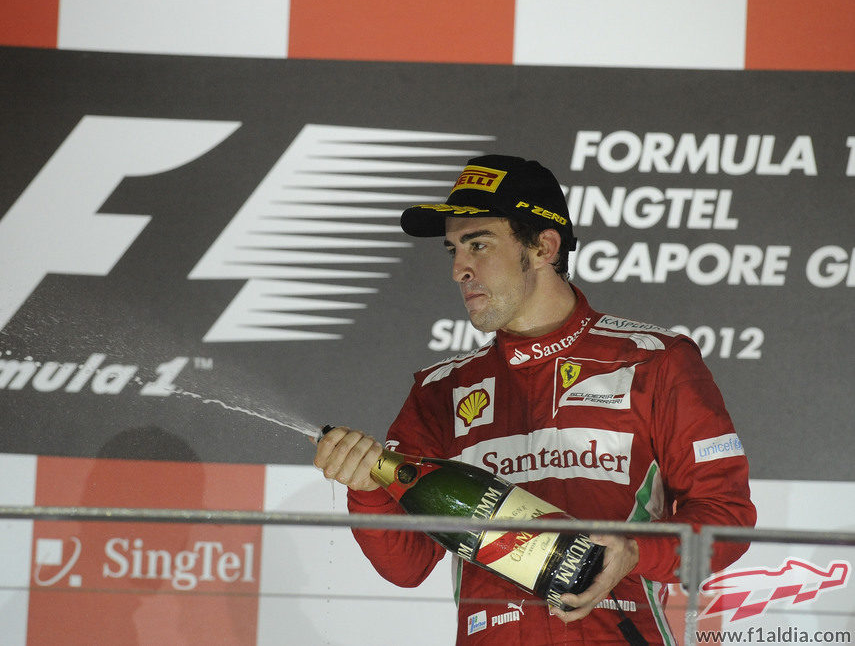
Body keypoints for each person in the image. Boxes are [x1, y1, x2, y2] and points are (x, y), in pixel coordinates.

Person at [314, 155, 756, 645]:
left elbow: (727, 519)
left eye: (478, 244)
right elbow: (408, 565)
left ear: (543, 246)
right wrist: (367, 488)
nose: (460, 269)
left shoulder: (653, 362)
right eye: (453, 250)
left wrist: (636, 551)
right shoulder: (440, 391)